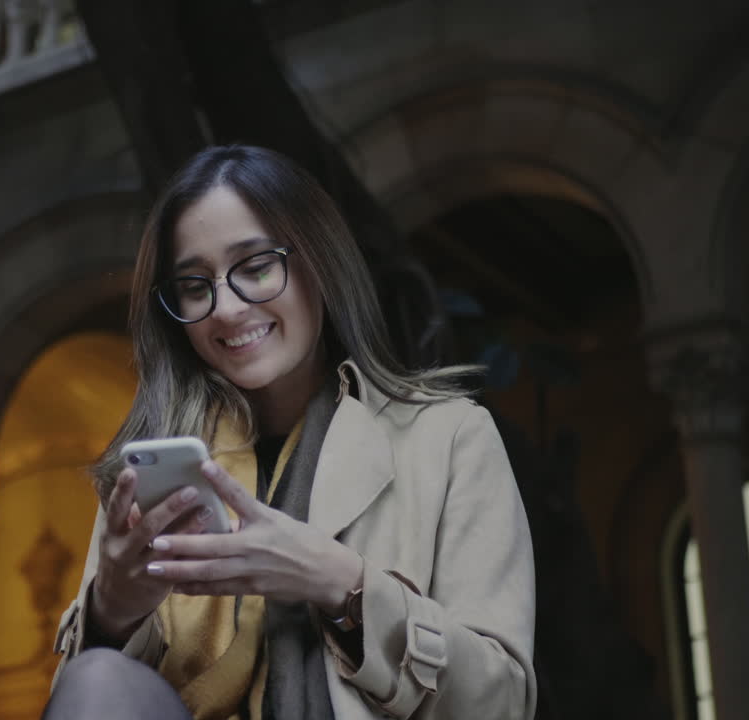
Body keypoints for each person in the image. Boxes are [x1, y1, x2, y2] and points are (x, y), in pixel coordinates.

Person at [44, 145, 536, 720]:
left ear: (321, 262)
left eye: (255, 267)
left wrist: (340, 584)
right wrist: (113, 611)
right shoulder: (150, 471)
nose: (225, 308)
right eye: (195, 285)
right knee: (99, 676)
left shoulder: (449, 437)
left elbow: (501, 703)